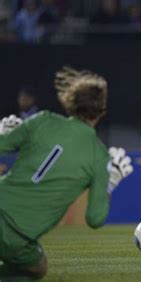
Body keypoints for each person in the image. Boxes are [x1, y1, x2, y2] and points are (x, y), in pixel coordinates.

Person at [0, 66, 133, 279]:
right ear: (102, 112)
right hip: (17, 238)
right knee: (37, 267)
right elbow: (95, 219)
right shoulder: (99, 156)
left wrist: (3, 131)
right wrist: (110, 182)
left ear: (69, 101)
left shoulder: (42, 120)